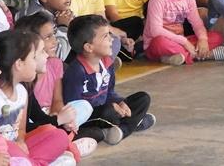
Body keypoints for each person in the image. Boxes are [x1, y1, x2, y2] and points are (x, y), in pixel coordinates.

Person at [63, 15, 155, 144]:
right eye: (106, 36)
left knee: (143, 98)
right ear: (89, 47)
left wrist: (120, 102)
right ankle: (130, 125)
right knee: (109, 112)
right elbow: (74, 109)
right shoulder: (77, 72)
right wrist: (112, 107)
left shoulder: (107, 63)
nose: (112, 39)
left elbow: (110, 93)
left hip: (107, 109)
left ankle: (120, 129)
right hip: (91, 117)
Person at [0, 30, 75, 165]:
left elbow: (21, 130)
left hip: (17, 150)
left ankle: (30, 162)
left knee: (59, 136)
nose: (37, 62)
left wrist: (21, 141)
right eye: (33, 57)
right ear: (19, 64)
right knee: (66, 160)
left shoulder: (22, 92)